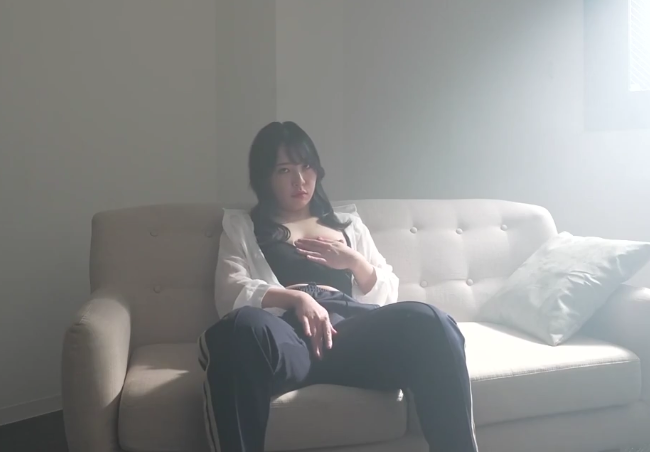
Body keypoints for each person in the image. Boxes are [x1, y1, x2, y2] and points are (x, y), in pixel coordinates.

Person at [198, 121, 477, 452]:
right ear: (264, 178)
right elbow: (230, 290)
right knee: (239, 329)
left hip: (351, 333)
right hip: (287, 338)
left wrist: (354, 262)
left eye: (306, 167)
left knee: (432, 321)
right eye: (284, 170)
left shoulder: (349, 226)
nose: (300, 180)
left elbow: (387, 292)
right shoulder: (242, 226)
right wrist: (297, 299)